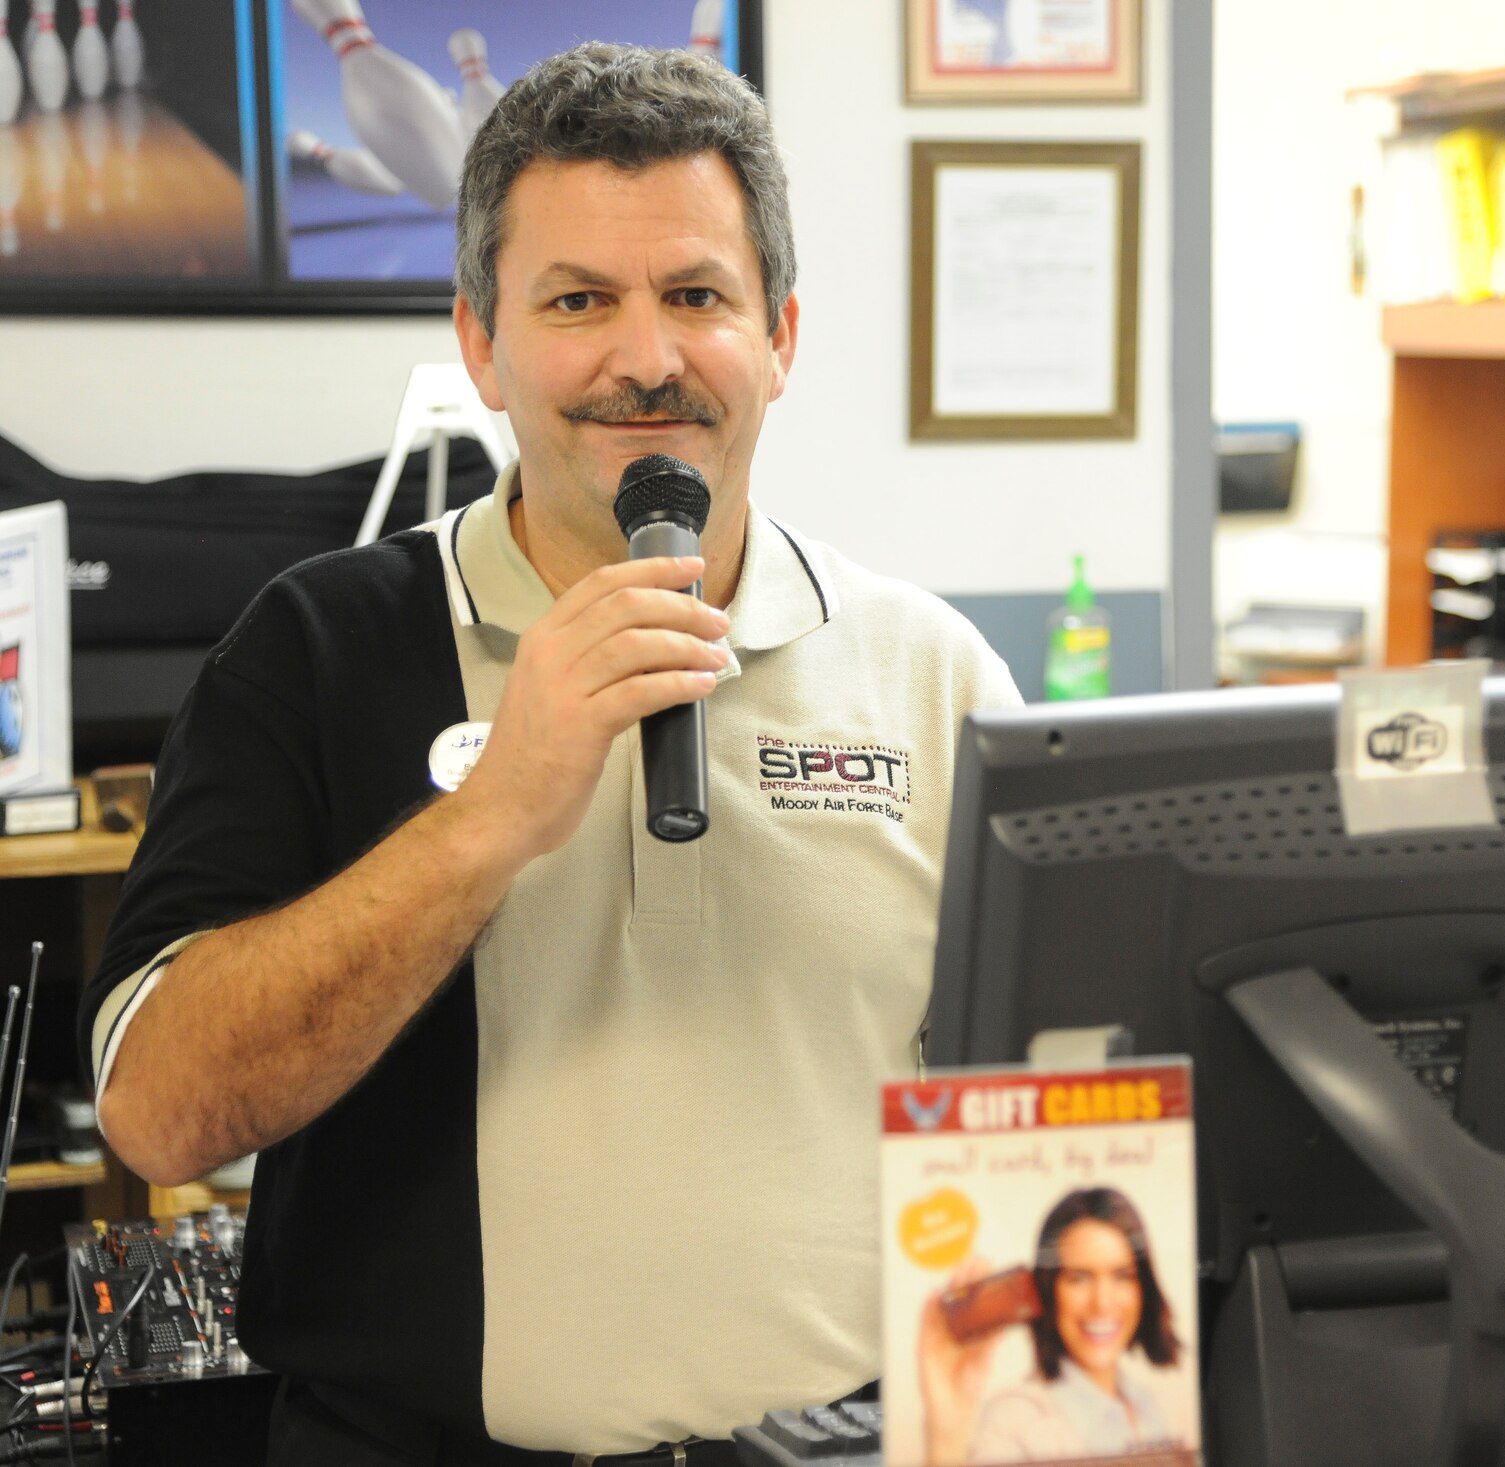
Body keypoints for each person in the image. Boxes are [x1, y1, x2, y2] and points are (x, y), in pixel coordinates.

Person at [79, 44, 1019, 1467]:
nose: (646, 356)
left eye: (697, 295)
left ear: (782, 335)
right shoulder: (313, 647)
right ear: (481, 342)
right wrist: (490, 817)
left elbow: (1045, 1115)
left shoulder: (931, 667)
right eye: (579, 300)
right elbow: (160, 1112)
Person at [918, 1188, 1186, 1463]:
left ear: (1144, 1288)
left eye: (1122, 1276)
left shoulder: (1161, 1408)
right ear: (1048, 1289)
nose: (1102, 1303)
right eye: (1078, 1278)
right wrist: (946, 1432)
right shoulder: (1013, 1422)